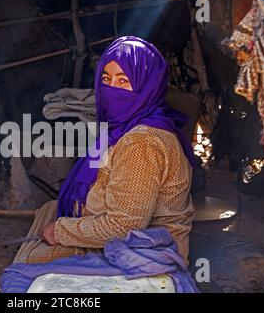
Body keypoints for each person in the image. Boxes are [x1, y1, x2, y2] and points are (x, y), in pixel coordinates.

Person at [14, 36, 196, 265]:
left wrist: (61, 231)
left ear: (147, 85)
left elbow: (124, 227)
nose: (111, 89)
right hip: (126, 238)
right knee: (48, 212)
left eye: (123, 81)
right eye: (106, 79)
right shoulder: (122, 128)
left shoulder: (141, 143)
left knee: (22, 274)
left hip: (146, 252)